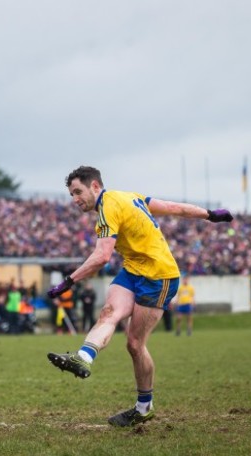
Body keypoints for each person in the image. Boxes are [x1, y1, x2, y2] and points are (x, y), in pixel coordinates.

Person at [46, 166, 233, 427]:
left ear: (95, 187)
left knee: (135, 344)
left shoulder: (108, 208)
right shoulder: (129, 197)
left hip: (159, 276)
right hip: (133, 269)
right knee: (109, 313)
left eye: (78, 192)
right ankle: (83, 358)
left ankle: (144, 407)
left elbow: (101, 257)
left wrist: (69, 281)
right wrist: (209, 214)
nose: (75, 199)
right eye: (71, 195)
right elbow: (173, 208)